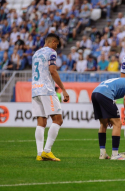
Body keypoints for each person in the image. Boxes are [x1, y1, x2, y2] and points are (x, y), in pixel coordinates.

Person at [32, 33, 69, 161]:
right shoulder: (51, 52)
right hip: (46, 90)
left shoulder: (36, 53)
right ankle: (47, 151)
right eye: (57, 44)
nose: (56, 47)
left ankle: (39, 153)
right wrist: (63, 89)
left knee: (41, 122)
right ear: (53, 41)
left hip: (35, 90)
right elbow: (53, 71)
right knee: (58, 120)